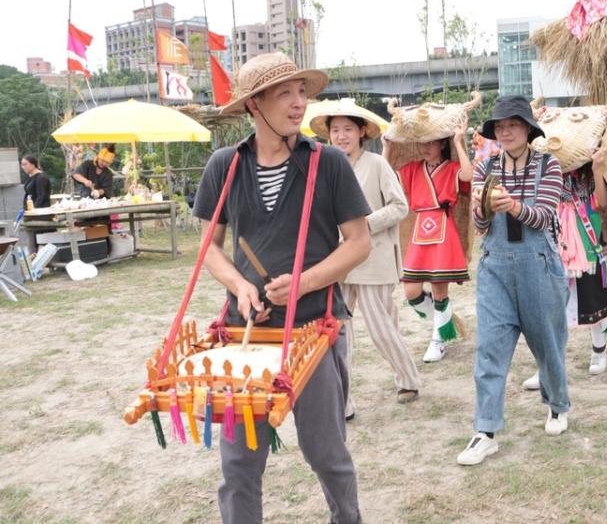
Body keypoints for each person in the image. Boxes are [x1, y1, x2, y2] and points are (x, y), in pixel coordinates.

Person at [193, 53, 369, 524]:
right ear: (255, 104)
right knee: (238, 467)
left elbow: (359, 242)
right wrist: (239, 286)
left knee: (327, 455)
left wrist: (305, 282)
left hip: (315, 329)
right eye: (284, 93)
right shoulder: (224, 166)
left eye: (301, 92)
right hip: (246, 336)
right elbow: (208, 247)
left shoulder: (327, 162)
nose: (298, 104)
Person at [457, 95, 569, 466]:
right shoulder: (485, 166)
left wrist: (514, 206)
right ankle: (484, 431)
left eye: (513, 125)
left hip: (539, 263)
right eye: (500, 126)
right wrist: (480, 208)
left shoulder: (549, 165)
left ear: (528, 130)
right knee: (488, 348)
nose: (505, 132)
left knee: (547, 343)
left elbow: (544, 215)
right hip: (495, 268)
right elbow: (481, 227)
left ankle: (557, 405)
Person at [313, 107, 421, 415]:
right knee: (338, 331)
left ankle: (409, 379)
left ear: (362, 131)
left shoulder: (377, 165)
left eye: (348, 129)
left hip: (374, 258)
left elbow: (400, 206)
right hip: (337, 261)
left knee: (381, 327)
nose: (341, 136)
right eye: (335, 130)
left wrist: (363, 226)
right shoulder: (325, 167)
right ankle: (342, 400)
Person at [385, 125, 472, 363]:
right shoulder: (413, 168)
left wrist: (458, 142)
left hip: (444, 228)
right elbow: (385, 175)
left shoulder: (453, 167)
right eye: (422, 143)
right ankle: (443, 321)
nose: (425, 148)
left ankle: (438, 340)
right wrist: (387, 146)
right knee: (411, 291)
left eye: (431, 142)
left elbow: (468, 175)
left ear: (442, 144)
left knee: (439, 290)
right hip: (420, 228)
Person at [557, 152, 607, 376]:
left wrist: (597, 169)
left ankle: (599, 350)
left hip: (589, 238)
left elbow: (602, 202)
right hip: (558, 238)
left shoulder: (591, 173)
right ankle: (551, 360)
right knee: (555, 300)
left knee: (592, 295)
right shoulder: (550, 169)